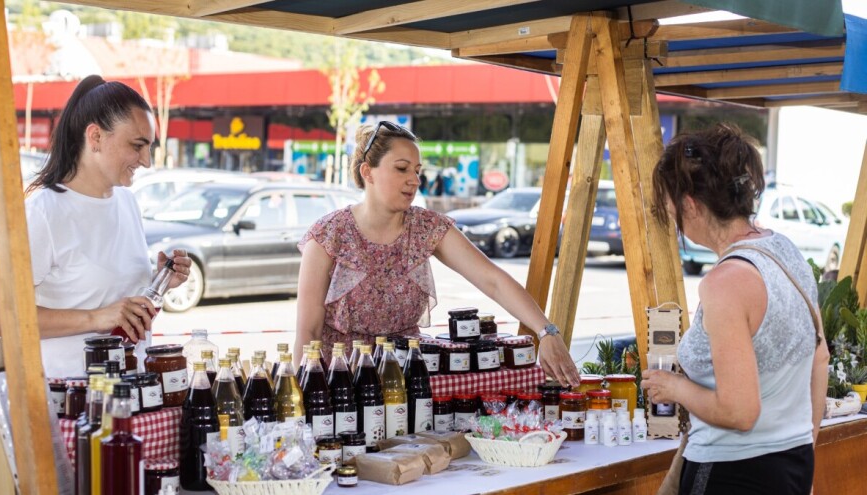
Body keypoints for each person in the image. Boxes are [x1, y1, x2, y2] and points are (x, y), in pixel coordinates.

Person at [295, 121, 580, 386]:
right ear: (367, 172)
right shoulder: (328, 234)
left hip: (409, 382)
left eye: (417, 171)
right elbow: (308, 331)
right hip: (341, 385)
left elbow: (492, 280)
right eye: (402, 168)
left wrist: (546, 332)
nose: (414, 180)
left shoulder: (426, 226)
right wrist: (304, 401)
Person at [641, 124, 829, 494]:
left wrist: (674, 387)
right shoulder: (785, 250)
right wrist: (802, 447)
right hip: (792, 464)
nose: (669, 215)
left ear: (690, 206)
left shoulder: (724, 283)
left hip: (731, 472)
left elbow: (739, 412)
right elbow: (819, 358)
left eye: (669, 206)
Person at [0, 75, 192, 378]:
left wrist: (160, 282)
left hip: (129, 391)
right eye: (137, 146)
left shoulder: (127, 202)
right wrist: (97, 317)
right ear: (95, 136)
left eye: (149, 147)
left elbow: (109, 295)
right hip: (64, 405)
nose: (146, 160)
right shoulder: (43, 212)